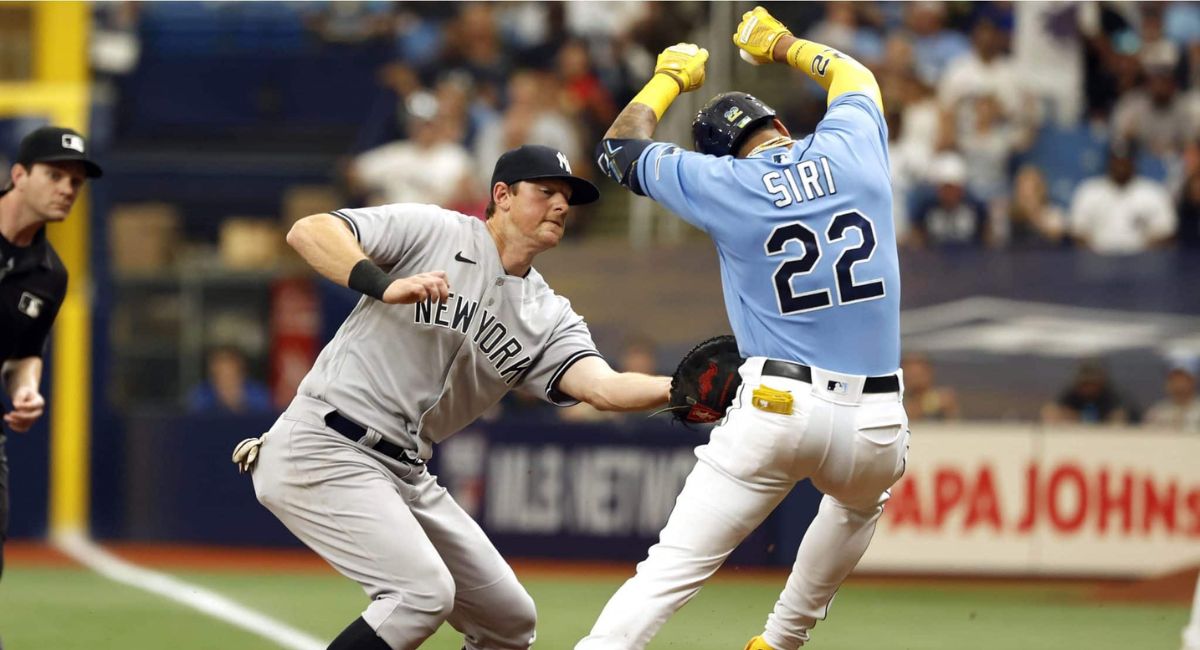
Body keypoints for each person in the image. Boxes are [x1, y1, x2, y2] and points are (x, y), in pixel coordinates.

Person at [241, 144, 670, 650]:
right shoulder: (435, 230)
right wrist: (383, 285)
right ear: (503, 196)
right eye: (547, 192)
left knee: (508, 620)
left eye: (567, 197)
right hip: (326, 440)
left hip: (405, 471)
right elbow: (310, 230)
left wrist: (681, 386)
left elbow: (603, 386)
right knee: (420, 595)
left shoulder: (548, 314)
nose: (561, 205)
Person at [587, 7, 909, 649]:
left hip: (777, 405)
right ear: (781, 125)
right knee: (857, 504)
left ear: (716, 154)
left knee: (671, 572)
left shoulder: (722, 182)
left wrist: (669, 79)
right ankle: (782, 639)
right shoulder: (851, 147)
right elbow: (856, 77)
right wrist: (785, 44)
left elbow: (616, 150)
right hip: (877, 421)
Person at [0, 126, 102, 584]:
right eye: (55, 175)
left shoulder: (49, 276)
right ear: (19, 174)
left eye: (75, 182)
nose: (66, 189)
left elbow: (23, 353)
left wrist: (27, 391)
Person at [1069, 145, 1176, 255]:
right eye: (1116, 161)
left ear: (1133, 162)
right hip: (1098, 260)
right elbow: (1078, 231)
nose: (1120, 166)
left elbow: (1165, 231)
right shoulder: (1089, 190)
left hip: (1142, 261)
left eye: (1125, 161)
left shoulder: (1153, 192)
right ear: (1109, 162)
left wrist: (1144, 253)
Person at [1040, 358, 1134, 425]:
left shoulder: (1111, 396)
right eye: (1085, 384)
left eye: (1093, 384)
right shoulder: (1072, 394)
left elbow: (1122, 415)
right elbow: (1052, 411)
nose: (1089, 388)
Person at [186, 345, 272, 414]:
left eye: (230, 374)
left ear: (241, 371)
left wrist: (238, 403)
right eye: (220, 374)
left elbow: (266, 421)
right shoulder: (201, 396)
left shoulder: (259, 394)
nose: (226, 381)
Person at [1143, 359, 1200, 432]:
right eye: (1174, 380)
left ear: (1192, 382)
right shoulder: (1157, 412)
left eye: (1183, 380)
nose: (1179, 385)